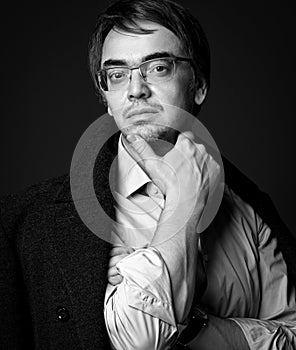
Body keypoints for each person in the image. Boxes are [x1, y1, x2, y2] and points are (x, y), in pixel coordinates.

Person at [1, 1, 295, 350]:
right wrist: (185, 202)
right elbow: (141, 341)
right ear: (107, 98)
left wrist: (190, 325)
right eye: (117, 74)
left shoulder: (251, 210)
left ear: (198, 85)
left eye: (158, 68)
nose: (136, 89)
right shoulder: (24, 222)